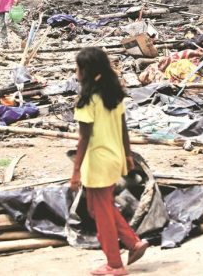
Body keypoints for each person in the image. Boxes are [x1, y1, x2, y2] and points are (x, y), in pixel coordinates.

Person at [70, 47, 149, 276]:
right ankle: (132, 242)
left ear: (86, 70)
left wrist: (76, 171)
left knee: (102, 213)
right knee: (98, 208)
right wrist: (127, 155)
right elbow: (124, 128)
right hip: (114, 158)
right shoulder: (114, 95)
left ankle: (114, 264)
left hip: (98, 162)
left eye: (78, 67)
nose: (76, 71)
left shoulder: (87, 101)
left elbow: (84, 138)